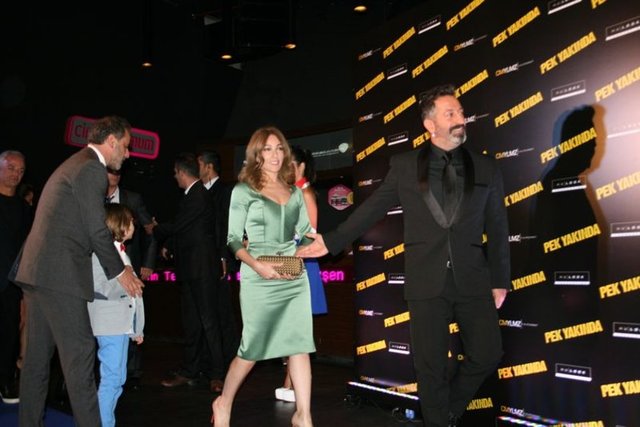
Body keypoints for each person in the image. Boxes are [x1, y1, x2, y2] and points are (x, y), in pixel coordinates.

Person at [298, 84, 511, 427]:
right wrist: (333, 240)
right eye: (451, 113)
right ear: (430, 125)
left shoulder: (486, 167)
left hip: (473, 277)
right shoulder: (406, 165)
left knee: (487, 354)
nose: (461, 118)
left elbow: (498, 227)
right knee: (430, 367)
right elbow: (372, 209)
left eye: (460, 112)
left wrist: (500, 280)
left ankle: (448, 409)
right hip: (425, 279)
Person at [12, 116, 144, 427]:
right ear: (111, 141)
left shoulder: (75, 163)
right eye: (125, 146)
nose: (128, 154)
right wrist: (120, 272)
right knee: (80, 358)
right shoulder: (91, 168)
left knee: (36, 363)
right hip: (60, 276)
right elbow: (96, 229)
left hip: (39, 272)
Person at [211, 127, 315, 427]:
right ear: (256, 155)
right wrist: (257, 266)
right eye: (268, 149)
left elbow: (306, 234)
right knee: (252, 348)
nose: (275, 155)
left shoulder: (295, 192)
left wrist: (305, 249)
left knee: (299, 344)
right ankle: (224, 402)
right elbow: (233, 240)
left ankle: (303, 415)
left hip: (292, 277)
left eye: (279, 148)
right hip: (258, 276)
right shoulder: (244, 190)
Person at [155, 153, 226, 393]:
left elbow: (179, 225)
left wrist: (156, 228)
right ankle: (190, 370)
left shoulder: (198, 195)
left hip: (202, 270)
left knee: (208, 321)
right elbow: (187, 230)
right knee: (192, 323)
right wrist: (170, 246)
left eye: (175, 173)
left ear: (182, 172)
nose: (175, 177)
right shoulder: (193, 195)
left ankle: (217, 373)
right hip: (190, 270)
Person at [275, 145, 328, 403]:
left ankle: (293, 384)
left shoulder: (306, 193)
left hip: (302, 265)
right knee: (288, 326)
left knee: (296, 326)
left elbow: (309, 237)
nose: (284, 168)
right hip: (289, 263)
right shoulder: (290, 193)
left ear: (301, 166)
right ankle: (290, 382)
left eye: (290, 164)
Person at [88, 203, 145, 427]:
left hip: (120, 325)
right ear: (119, 224)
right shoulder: (102, 254)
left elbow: (133, 299)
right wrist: (128, 280)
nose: (134, 225)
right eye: (130, 221)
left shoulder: (122, 253)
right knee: (112, 379)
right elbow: (97, 288)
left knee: (118, 378)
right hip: (109, 324)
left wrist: (136, 328)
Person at [105, 167, 157, 388]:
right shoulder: (93, 196)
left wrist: (148, 262)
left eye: (118, 172)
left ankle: (132, 371)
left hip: (128, 261)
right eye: (111, 171)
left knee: (131, 306)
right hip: (100, 268)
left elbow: (150, 230)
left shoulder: (132, 199)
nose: (115, 175)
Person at [197, 150, 240, 385]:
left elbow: (227, 225)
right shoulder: (198, 192)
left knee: (223, 314)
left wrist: (224, 256)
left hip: (220, 262)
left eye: (199, 164)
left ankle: (229, 366)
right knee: (207, 315)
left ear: (208, 166)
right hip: (203, 263)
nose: (196, 169)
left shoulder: (225, 191)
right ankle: (209, 364)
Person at [0, 150, 32, 404]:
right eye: (11, 168)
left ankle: (4, 380)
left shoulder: (24, 209)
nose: (15, 174)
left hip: (11, 283)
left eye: (20, 171)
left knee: (9, 333)